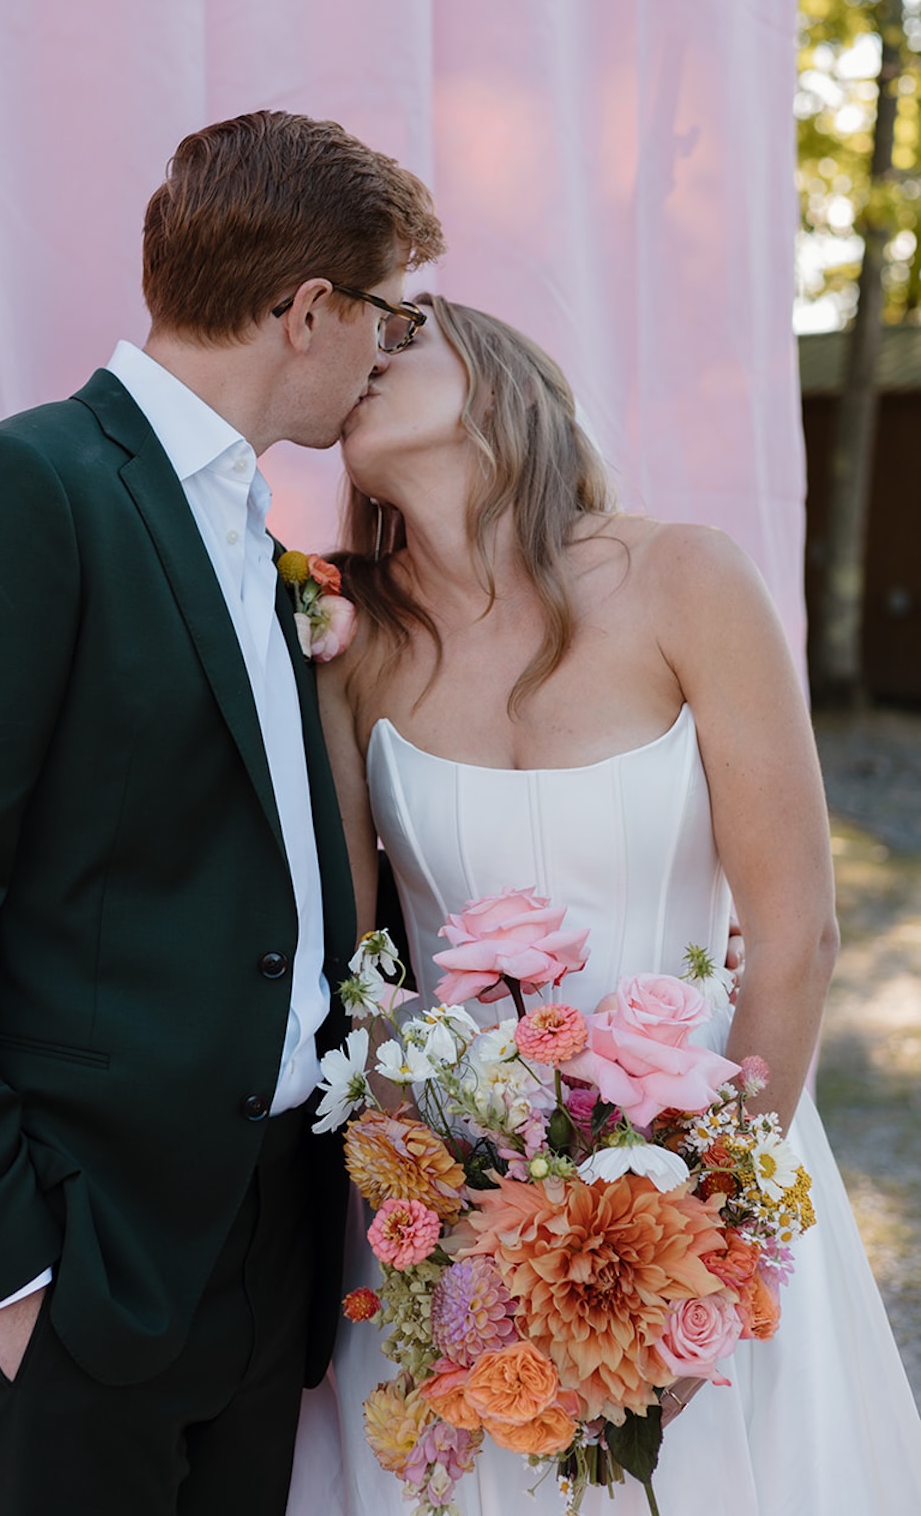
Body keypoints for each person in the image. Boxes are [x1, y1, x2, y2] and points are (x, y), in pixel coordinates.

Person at [0, 109, 445, 1515]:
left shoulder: (255, 534)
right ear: (308, 311)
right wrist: (9, 1268)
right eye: (387, 320)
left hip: (253, 1253)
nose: (386, 354)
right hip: (70, 1261)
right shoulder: (24, 494)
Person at [286, 293, 921, 1514]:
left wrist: (708, 1253)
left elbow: (794, 936)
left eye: (406, 333)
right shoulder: (351, 637)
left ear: (500, 377)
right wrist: (444, 1220)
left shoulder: (681, 575)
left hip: (708, 1164)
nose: (368, 353)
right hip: (461, 1217)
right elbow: (362, 969)